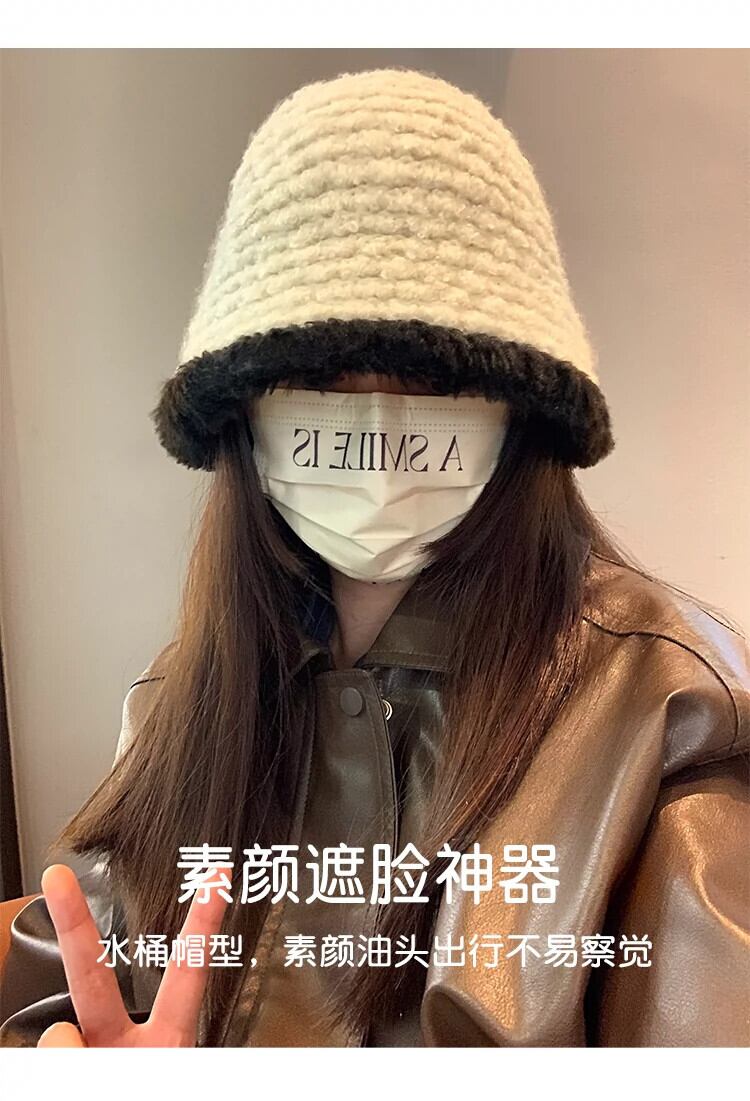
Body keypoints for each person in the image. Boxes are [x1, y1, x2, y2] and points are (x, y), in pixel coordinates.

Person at [0, 66, 748, 1049]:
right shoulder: (179, 697)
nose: (377, 427)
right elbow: (54, 1001)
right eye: (320, 376)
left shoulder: (667, 709)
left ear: (524, 412)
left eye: (432, 375)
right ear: (242, 414)